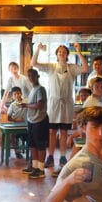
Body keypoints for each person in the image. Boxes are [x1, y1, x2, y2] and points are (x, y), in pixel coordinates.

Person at [32, 42, 89, 175]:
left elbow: (86, 69)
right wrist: (38, 49)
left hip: (67, 104)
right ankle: (50, 156)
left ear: (67, 55)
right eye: (59, 52)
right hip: (53, 104)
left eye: (64, 52)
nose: (62, 53)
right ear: (57, 55)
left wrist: (78, 51)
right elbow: (34, 63)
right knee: (52, 131)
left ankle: (63, 157)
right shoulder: (51, 67)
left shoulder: (72, 68)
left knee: (64, 132)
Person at [20, 69, 48, 179]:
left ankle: (41, 169)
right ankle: (34, 167)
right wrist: (26, 105)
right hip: (31, 120)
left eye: (33, 75)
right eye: (29, 75)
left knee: (40, 146)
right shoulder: (33, 89)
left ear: (38, 76)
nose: (31, 77)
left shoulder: (41, 89)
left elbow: (39, 105)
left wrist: (26, 105)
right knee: (32, 145)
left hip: (39, 120)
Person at [7, 86, 28, 160]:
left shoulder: (26, 102)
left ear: (21, 93)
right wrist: (16, 120)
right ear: (12, 96)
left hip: (26, 126)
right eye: (15, 94)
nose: (17, 95)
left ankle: (30, 152)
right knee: (12, 135)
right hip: (16, 125)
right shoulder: (12, 105)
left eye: (18, 93)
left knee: (30, 135)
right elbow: (8, 117)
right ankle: (17, 151)